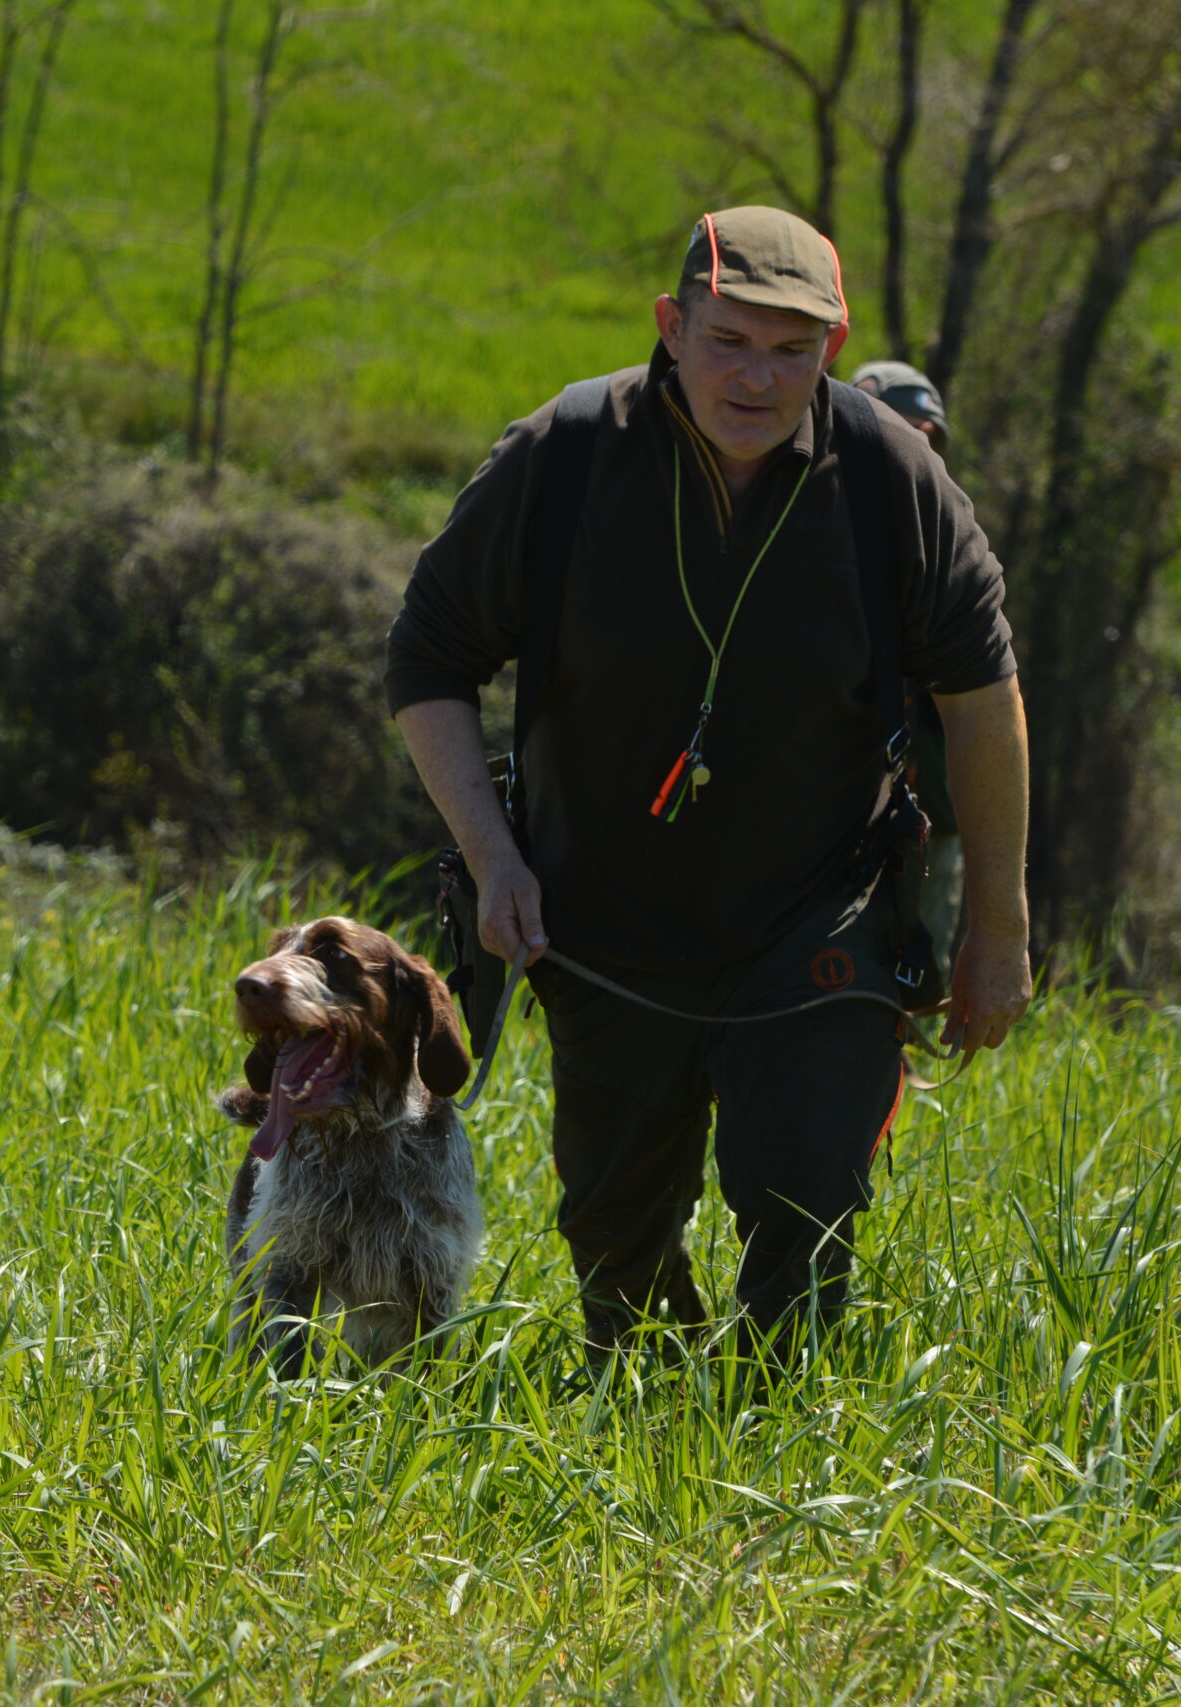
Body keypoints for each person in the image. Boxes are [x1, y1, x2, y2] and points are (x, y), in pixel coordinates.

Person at [384, 207, 1031, 1363]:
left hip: (817, 912)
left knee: (803, 1200)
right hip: (600, 920)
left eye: (792, 351)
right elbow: (428, 660)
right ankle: (658, 1411)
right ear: (670, 326)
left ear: (832, 350)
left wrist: (998, 920)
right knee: (615, 1245)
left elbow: (983, 701)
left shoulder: (891, 475)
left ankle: (778, 1425)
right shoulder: (563, 454)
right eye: (729, 341)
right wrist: (494, 858)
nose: (757, 378)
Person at [852, 360, 965, 975]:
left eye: (929, 438)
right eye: (903, 430)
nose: (919, 448)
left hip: (933, 820)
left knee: (922, 978)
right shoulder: (812, 532)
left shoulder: (952, 544)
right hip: (832, 820)